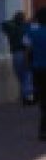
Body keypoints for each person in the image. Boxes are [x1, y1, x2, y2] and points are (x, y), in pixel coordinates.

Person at [2, 11, 34, 105]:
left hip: (16, 54)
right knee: (27, 75)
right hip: (26, 52)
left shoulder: (11, 28)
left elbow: (4, 24)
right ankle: (26, 96)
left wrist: (14, 21)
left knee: (20, 75)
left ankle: (25, 95)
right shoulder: (26, 28)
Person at [26, 9, 46, 141]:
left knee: (43, 99)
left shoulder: (32, 33)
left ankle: (43, 130)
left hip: (37, 69)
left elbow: (27, 49)